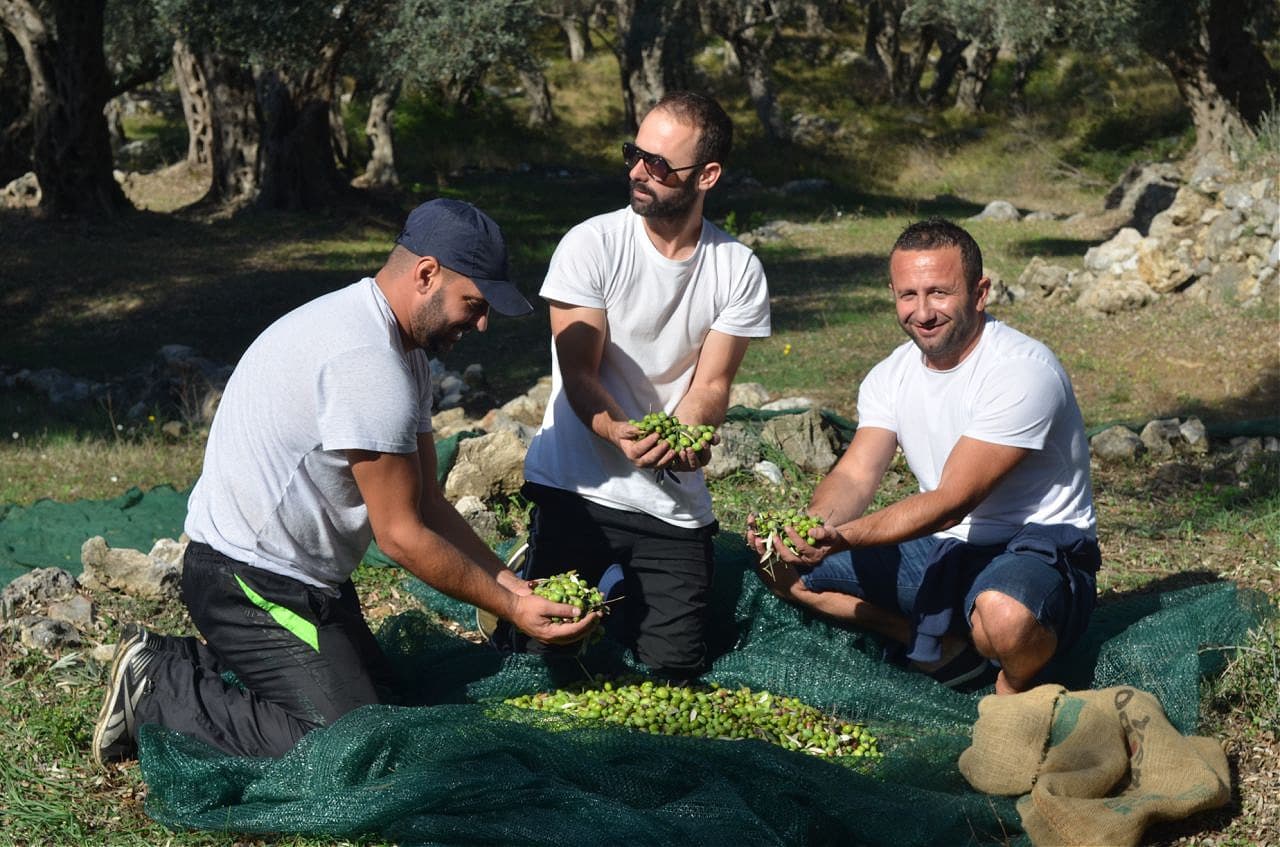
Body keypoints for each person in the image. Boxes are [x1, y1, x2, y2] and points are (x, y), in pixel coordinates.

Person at [92, 199, 598, 764]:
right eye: (474, 304)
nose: (482, 324)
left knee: (384, 706)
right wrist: (509, 607)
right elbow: (401, 536)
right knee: (353, 749)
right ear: (426, 274)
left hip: (308, 581)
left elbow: (428, 501)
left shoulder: (398, 345)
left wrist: (510, 583)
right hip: (247, 581)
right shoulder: (367, 362)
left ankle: (186, 662)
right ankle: (157, 687)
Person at [749, 219, 1099, 695]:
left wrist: (843, 539)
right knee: (777, 565)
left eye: (939, 292)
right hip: (943, 547)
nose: (923, 312)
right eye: (908, 295)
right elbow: (856, 474)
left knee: (1003, 616)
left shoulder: (1021, 370)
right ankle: (929, 641)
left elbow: (953, 499)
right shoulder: (889, 375)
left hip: (1032, 546)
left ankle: (1014, 687)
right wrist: (808, 531)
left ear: (980, 293)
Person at [511, 91, 771, 680]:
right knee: (543, 663)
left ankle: (615, 591)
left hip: (670, 502)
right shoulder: (591, 244)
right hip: (576, 486)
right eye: (634, 153)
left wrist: (687, 435)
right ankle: (538, 582)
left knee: (673, 671)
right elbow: (579, 372)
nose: (637, 171)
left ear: (707, 176)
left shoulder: (738, 268)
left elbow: (712, 385)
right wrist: (621, 433)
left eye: (658, 164)